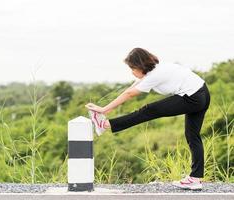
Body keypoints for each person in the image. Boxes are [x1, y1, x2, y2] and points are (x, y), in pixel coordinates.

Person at [85, 47, 211, 190]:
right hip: (203, 92)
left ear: (139, 66)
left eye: (132, 68)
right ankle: (195, 179)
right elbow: (131, 89)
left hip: (193, 97)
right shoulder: (156, 69)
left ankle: (104, 124)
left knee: (149, 110)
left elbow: (130, 94)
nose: (132, 72)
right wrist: (107, 107)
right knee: (193, 136)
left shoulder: (155, 75)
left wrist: (104, 109)